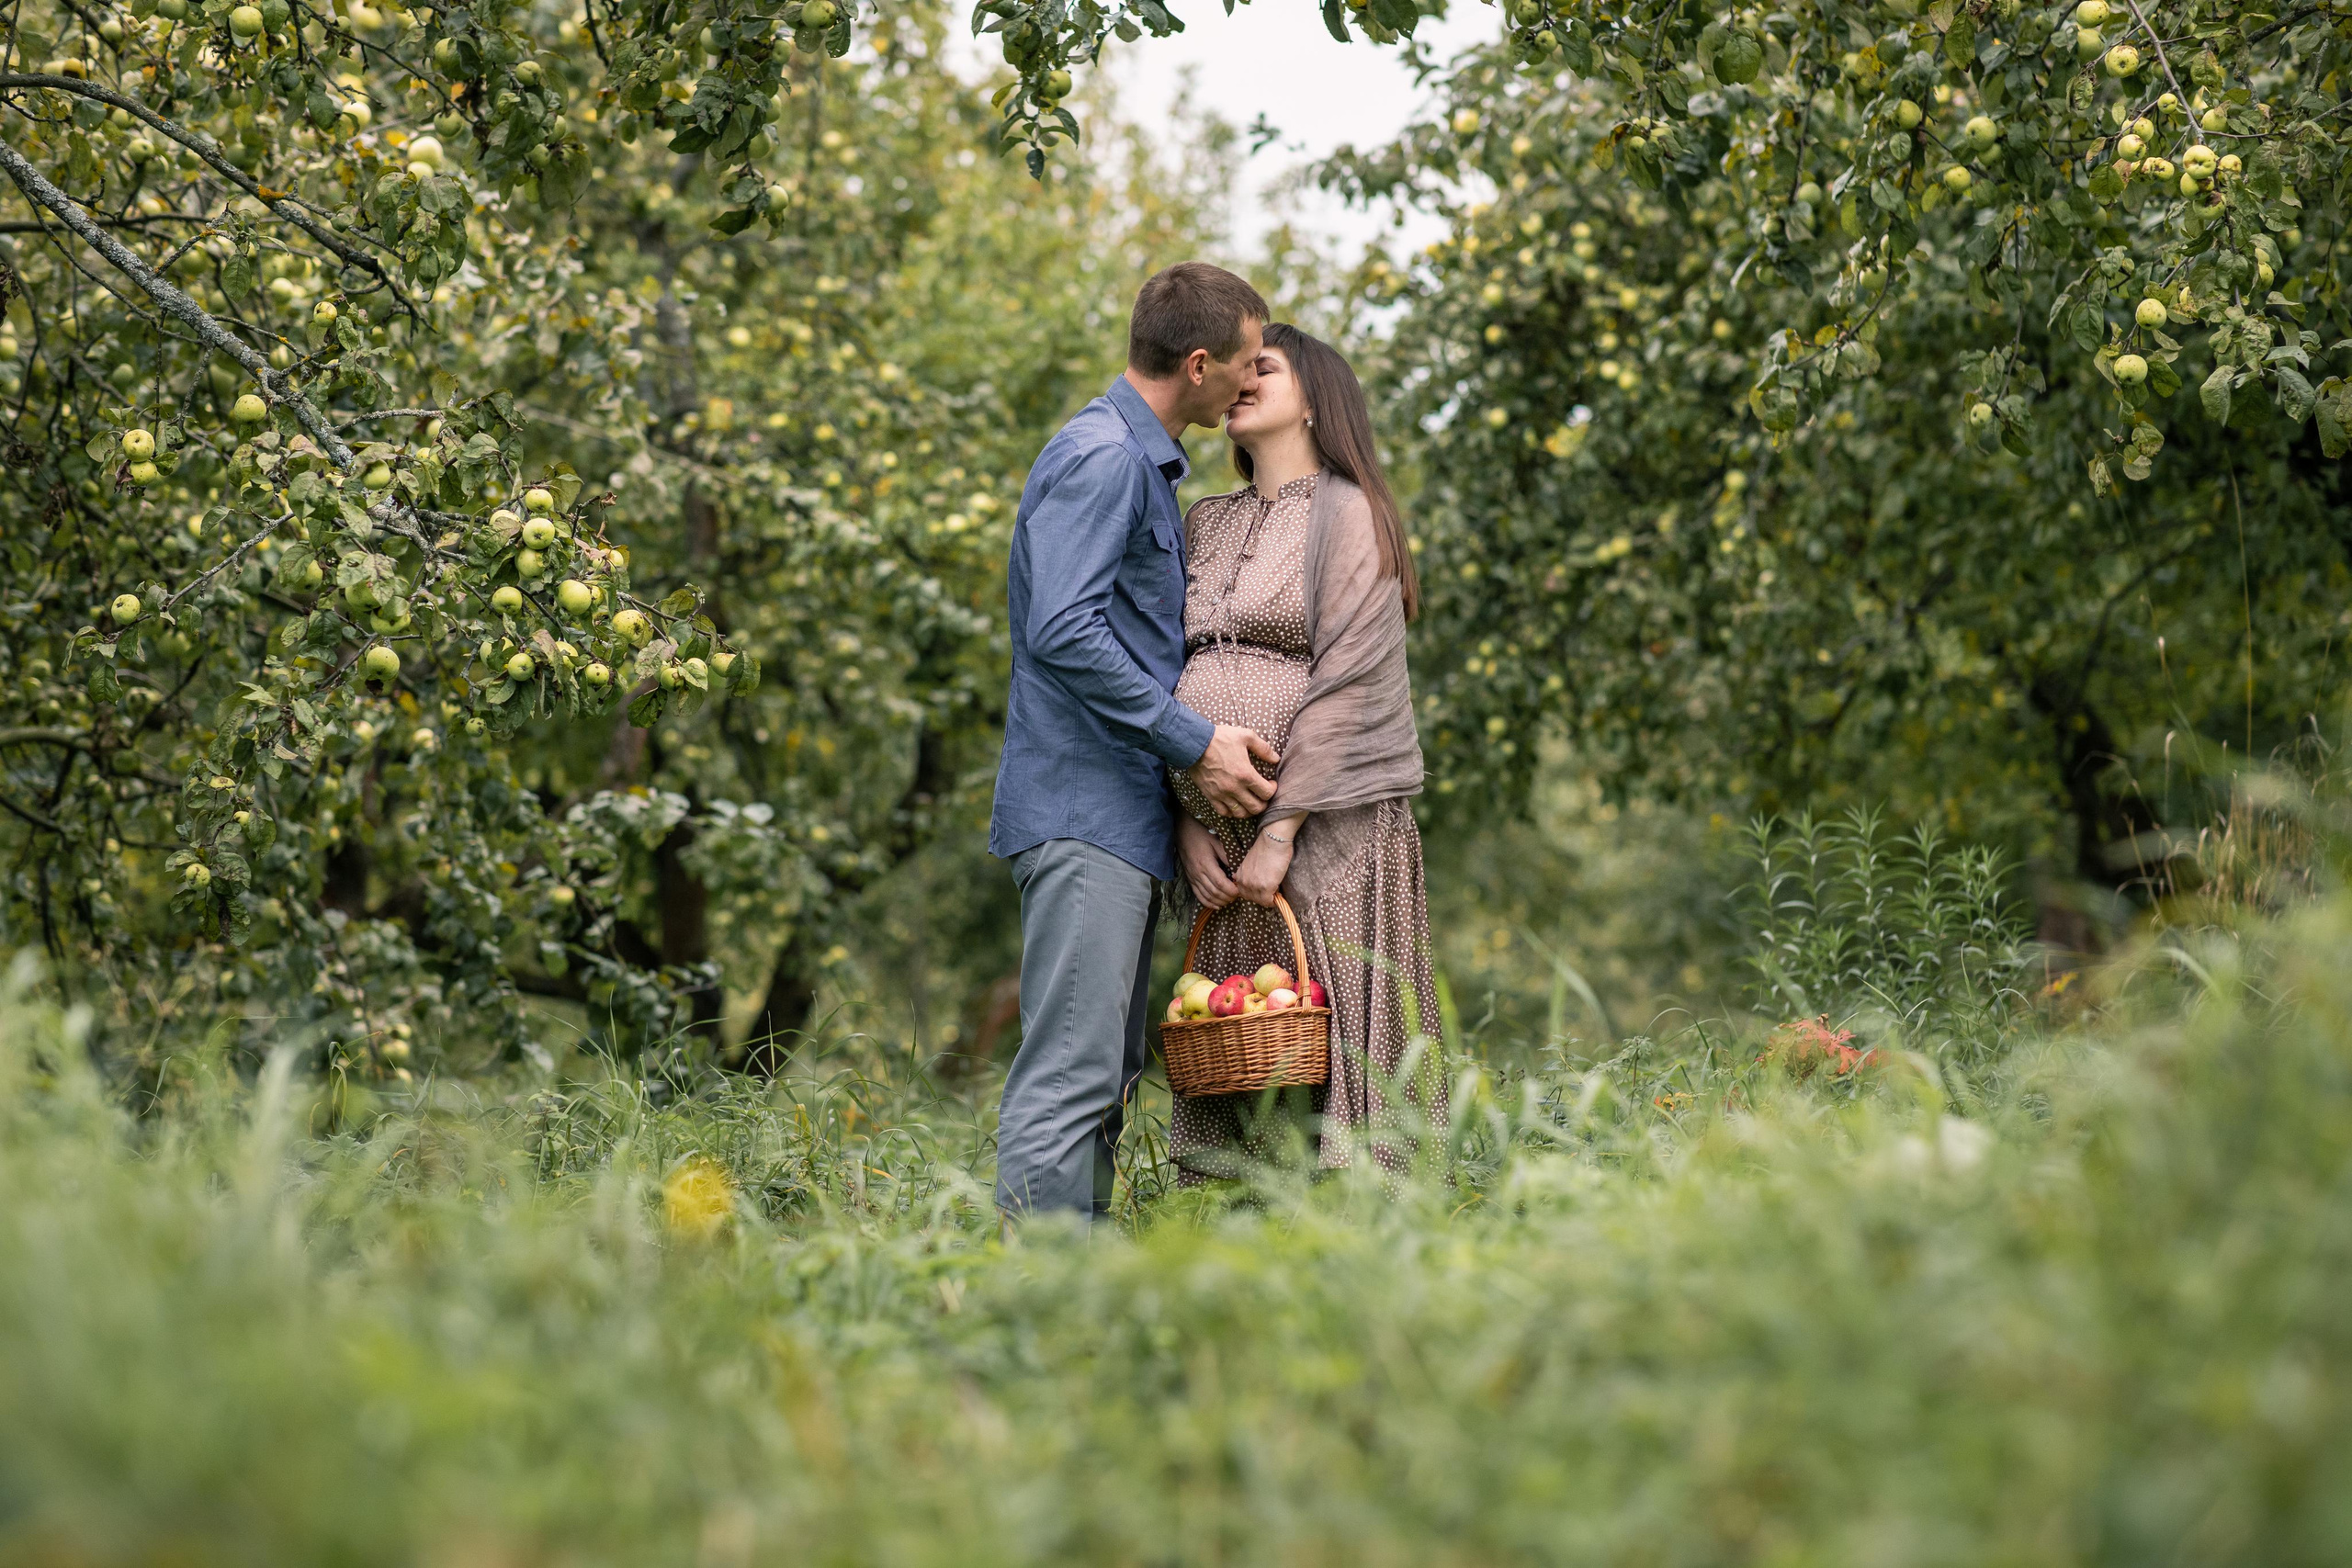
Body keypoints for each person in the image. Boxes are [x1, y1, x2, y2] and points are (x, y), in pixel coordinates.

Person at [989, 262, 1282, 1221]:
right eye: (1243, 364)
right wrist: (1194, 742)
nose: (1251, 382)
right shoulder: (1105, 459)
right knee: (1073, 1076)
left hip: (1115, 817)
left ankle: (1077, 1293)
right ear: (1197, 364)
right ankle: (1039, 1297)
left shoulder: (1139, 461)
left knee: (1102, 1072)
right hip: (1082, 814)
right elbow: (1064, 631)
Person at [1167, 323, 1443, 1183]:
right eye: (1242, 366)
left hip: (1325, 828)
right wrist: (1184, 819)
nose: (1245, 378)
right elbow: (1165, 674)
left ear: (1317, 399)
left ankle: (1373, 1237)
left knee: (1345, 1051)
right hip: (1221, 841)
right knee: (1247, 1049)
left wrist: (1284, 829)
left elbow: (1352, 680)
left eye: (1267, 368)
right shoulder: (1202, 521)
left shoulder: (1349, 512)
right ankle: (1245, 1243)